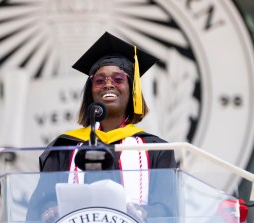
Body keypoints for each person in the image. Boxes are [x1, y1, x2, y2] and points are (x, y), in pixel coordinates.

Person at [26, 32, 177, 222]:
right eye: (99, 80)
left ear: (133, 90)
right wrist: (51, 211)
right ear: (91, 91)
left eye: (118, 79)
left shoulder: (156, 150)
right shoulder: (64, 147)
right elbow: (40, 207)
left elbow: (169, 211)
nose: (108, 84)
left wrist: (141, 212)